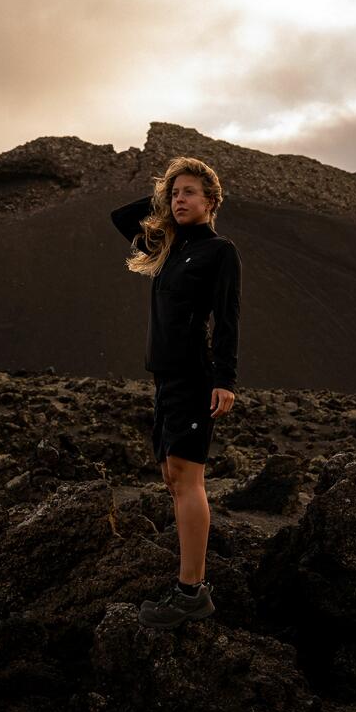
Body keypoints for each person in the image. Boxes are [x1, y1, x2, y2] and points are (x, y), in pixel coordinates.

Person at [109, 156, 241, 628]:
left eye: (189, 192)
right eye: (175, 192)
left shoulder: (218, 251)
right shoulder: (170, 245)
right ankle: (190, 581)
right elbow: (121, 219)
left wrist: (225, 380)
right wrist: (165, 199)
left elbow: (227, 320)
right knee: (170, 474)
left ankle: (191, 591)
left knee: (187, 476)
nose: (180, 199)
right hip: (165, 379)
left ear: (211, 202)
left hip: (194, 377)